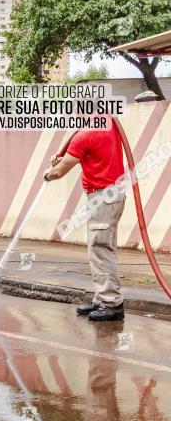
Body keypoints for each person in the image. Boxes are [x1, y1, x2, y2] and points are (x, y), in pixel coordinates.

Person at [44, 125, 126, 321]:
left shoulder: (85, 134)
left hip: (103, 196)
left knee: (100, 249)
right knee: (101, 248)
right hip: (112, 194)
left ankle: (111, 303)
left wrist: (48, 173)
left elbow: (59, 172)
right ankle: (101, 299)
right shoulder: (109, 123)